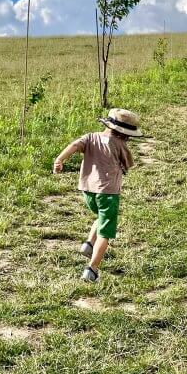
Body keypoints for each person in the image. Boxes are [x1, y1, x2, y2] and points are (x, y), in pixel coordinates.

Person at [52, 108, 141, 283]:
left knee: (100, 216)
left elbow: (74, 145)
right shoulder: (120, 145)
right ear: (125, 133)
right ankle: (91, 269)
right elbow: (128, 166)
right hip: (108, 193)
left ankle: (88, 244)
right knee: (105, 232)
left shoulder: (90, 137)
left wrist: (59, 159)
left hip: (87, 191)